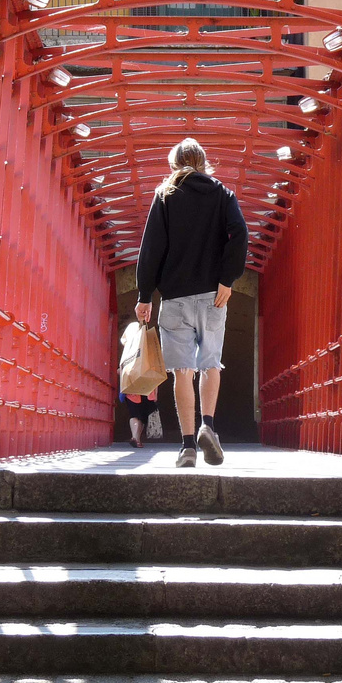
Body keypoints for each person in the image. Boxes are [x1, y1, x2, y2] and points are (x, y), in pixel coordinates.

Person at [135, 137, 248, 468]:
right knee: (210, 363)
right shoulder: (221, 193)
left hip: (175, 297)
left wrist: (145, 295)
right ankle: (208, 426)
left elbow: (152, 247)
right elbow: (239, 233)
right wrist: (227, 279)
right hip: (213, 296)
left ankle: (187, 447)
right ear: (203, 162)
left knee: (182, 370)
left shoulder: (166, 195)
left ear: (173, 164)